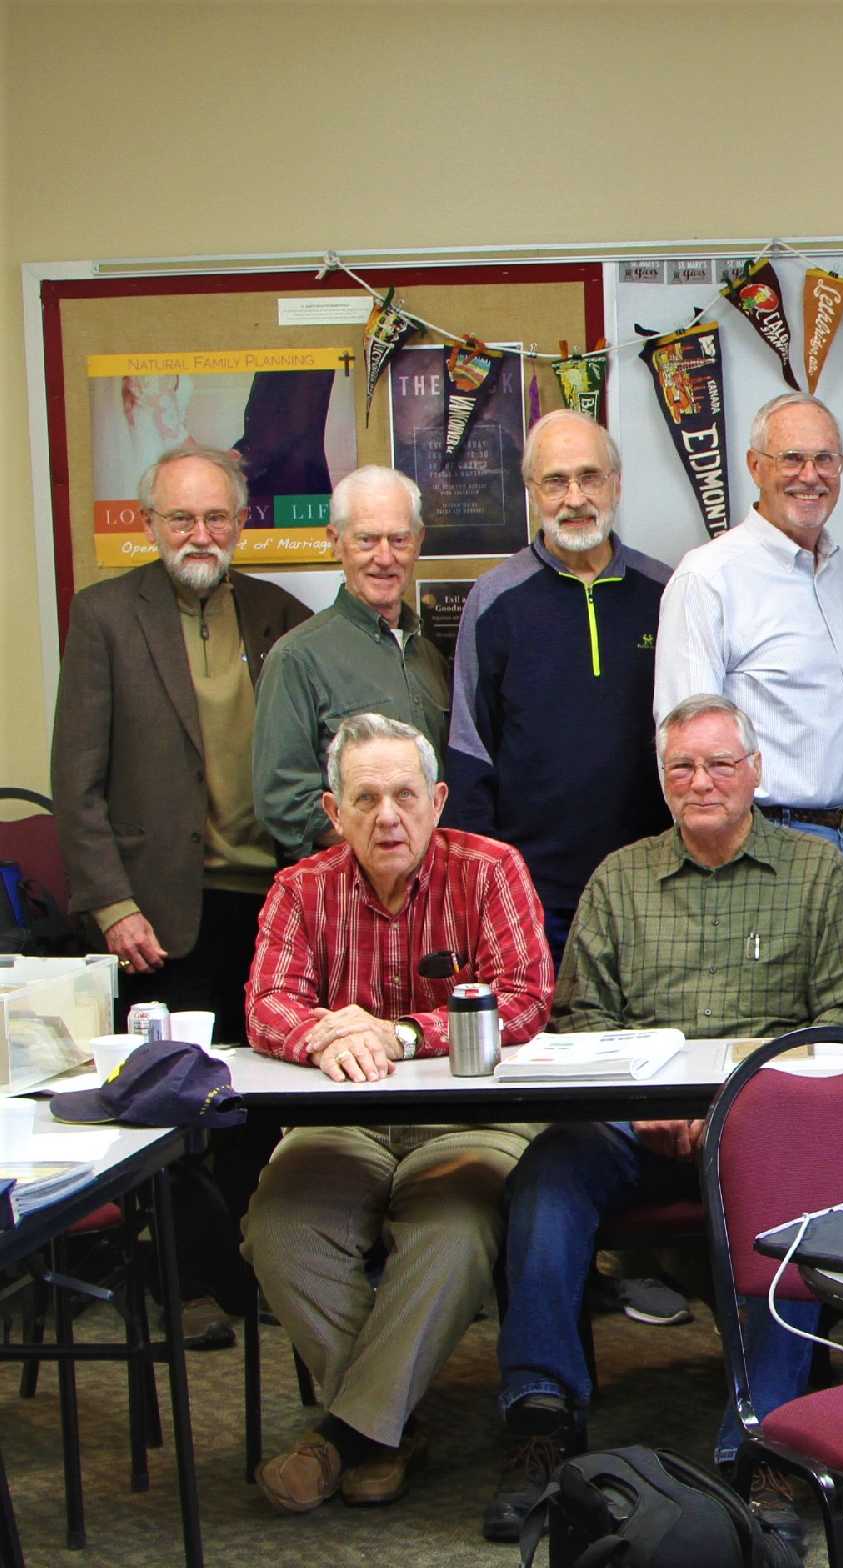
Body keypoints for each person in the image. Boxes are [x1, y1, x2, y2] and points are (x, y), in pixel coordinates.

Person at [482, 693, 843, 1543]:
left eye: (720, 764)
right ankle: (542, 1420)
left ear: (756, 773)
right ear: (663, 782)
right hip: (634, 1123)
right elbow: (579, 1020)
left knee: (796, 1193)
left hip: (764, 1125)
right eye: (682, 768)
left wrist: (739, 1107)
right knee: (545, 1177)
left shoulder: (817, 874)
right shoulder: (619, 880)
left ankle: (766, 1445)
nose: (701, 782)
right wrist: (647, 1104)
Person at [241, 713, 554, 1513]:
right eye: (366, 798)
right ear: (331, 811)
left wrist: (404, 1032)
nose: (388, 817)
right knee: (278, 1227)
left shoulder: (491, 871)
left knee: (452, 1233)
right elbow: (266, 1003)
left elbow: (524, 999)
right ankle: (385, 1425)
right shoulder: (299, 888)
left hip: (468, 1119)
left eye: (406, 795)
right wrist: (318, 1033)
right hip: (342, 1116)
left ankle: (346, 1438)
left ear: (439, 799)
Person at [50, 442, 310, 1347]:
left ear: (243, 523)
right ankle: (185, 1281)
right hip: (157, 911)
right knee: (172, 1107)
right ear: (148, 522)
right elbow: (74, 783)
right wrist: (112, 904)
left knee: (264, 1105)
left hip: (267, 904)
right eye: (179, 518)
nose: (199, 534)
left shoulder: (282, 615)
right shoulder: (105, 617)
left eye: (216, 517)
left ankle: (260, 1273)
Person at [656, 391, 843, 950]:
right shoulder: (710, 578)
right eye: (791, 459)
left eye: (825, 459)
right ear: (755, 466)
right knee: (776, 1025)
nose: (809, 476)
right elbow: (683, 743)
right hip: (766, 851)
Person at [446, 410, 671, 961]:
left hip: (654, 891)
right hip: (533, 897)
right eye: (555, 481)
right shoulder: (494, 601)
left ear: (616, 484)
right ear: (531, 491)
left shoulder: (667, 592)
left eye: (590, 477)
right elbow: (469, 754)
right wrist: (490, 892)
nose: (575, 498)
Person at [251, 465, 450, 861]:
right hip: (347, 901)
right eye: (366, 540)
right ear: (335, 541)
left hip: (433, 896)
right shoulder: (297, 658)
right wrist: (392, 846)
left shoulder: (429, 658)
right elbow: (283, 802)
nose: (384, 557)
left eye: (398, 539)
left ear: (418, 542)